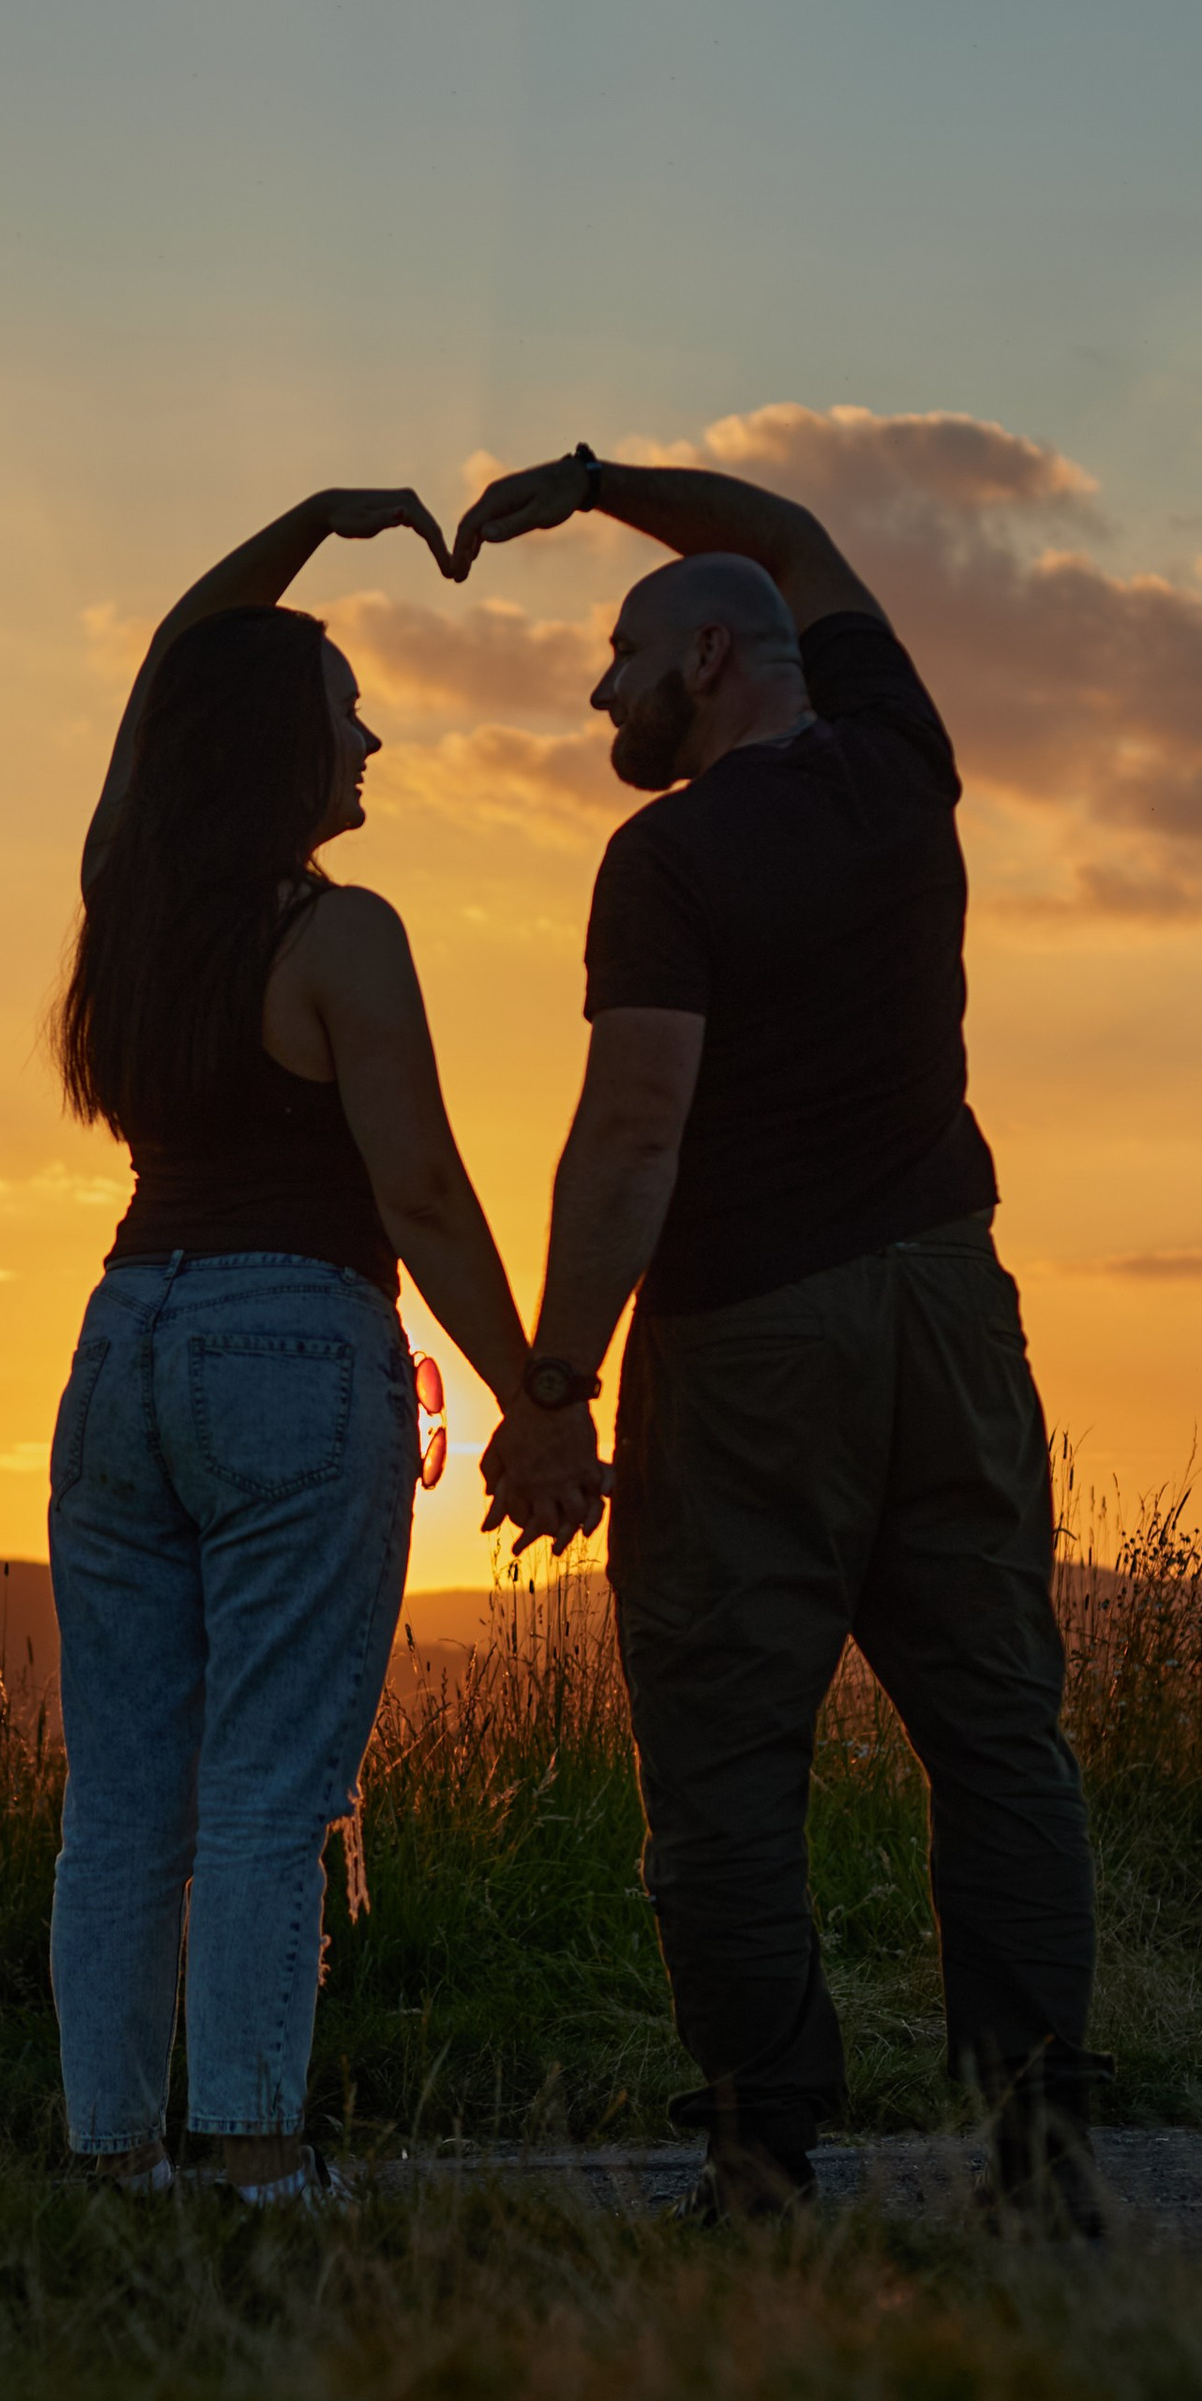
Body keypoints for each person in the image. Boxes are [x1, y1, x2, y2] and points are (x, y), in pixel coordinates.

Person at [456, 444, 1106, 2227]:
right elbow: (797, 535)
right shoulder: (907, 764)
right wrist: (593, 483)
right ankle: (1040, 2155)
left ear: (713, 665)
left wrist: (557, 1387)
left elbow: (636, 1132)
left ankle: (762, 2160)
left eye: (621, 653)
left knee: (729, 1755)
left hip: (753, 1350)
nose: (602, 686)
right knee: (998, 1730)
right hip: (952, 1307)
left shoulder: (664, 858)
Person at [47, 484, 579, 2203]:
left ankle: (114, 2171)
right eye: (346, 712)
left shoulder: (126, 904)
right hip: (290, 1340)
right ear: (280, 749)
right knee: (274, 1788)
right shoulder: (341, 936)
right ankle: (258, 2168)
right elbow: (418, 1187)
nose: (374, 737)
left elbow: (162, 671)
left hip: (123, 1347)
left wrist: (305, 530)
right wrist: (540, 1400)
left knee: (125, 1798)